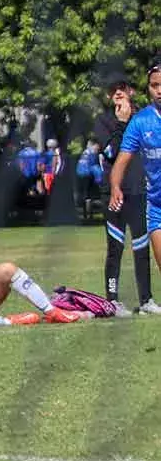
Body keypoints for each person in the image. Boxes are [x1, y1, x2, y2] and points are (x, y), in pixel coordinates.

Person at [95, 77, 159, 314]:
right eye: (113, 90)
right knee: (115, 247)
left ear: (131, 91)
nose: (118, 93)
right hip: (114, 193)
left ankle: (146, 300)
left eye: (122, 88)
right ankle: (112, 299)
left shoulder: (145, 118)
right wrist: (121, 123)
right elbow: (111, 152)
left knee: (142, 247)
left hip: (141, 192)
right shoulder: (103, 121)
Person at [109, 62, 161, 296]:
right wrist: (115, 186)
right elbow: (120, 161)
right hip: (157, 206)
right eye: (154, 85)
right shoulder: (141, 122)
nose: (159, 90)